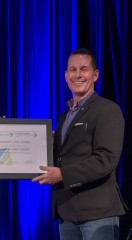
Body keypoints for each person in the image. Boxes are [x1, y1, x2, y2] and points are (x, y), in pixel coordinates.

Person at [32, 48, 127, 240]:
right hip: (67, 212)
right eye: (72, 70)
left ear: (95, 75)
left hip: (97, 213)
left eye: (83, 69)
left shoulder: (107, 110)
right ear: (66, 75)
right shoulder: (63, 116)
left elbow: (106, 160)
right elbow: (62, 156)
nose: (77, 75)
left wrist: (62, 174)